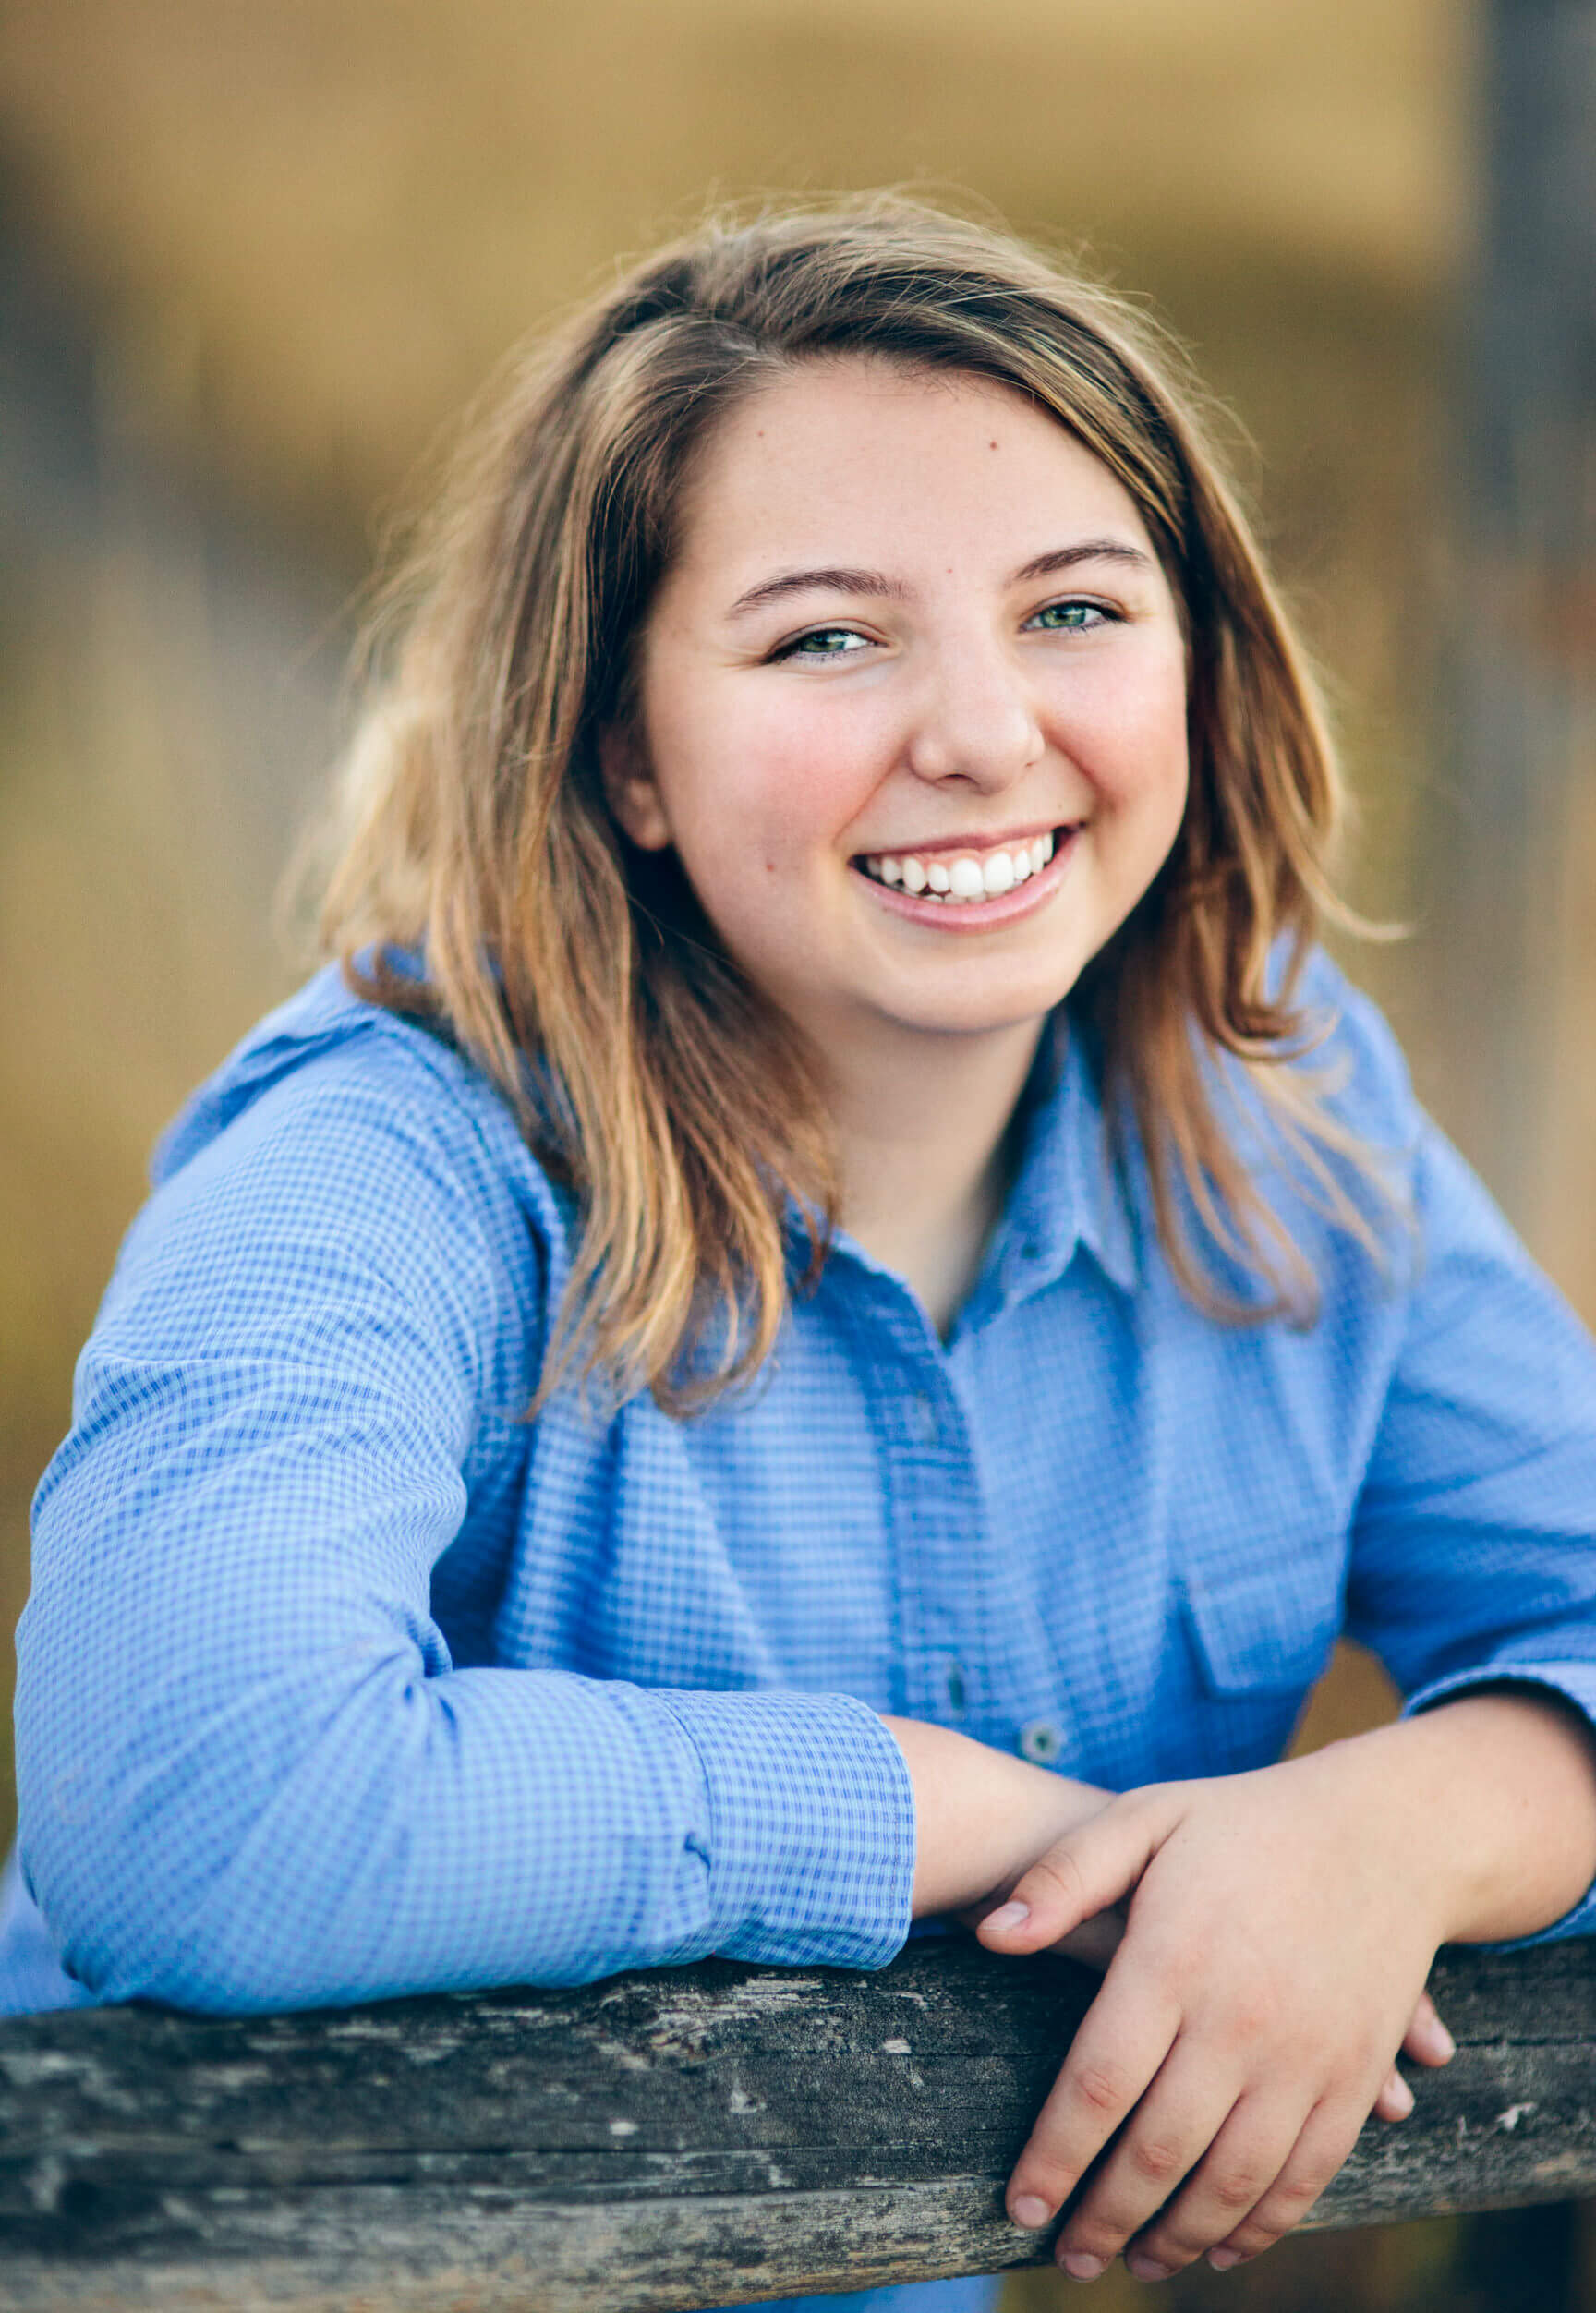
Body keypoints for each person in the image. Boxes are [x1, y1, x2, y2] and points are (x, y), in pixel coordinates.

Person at [6, 199, 1596, 2303]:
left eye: (1078, 609)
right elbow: (198, 1811)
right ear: (623, 755)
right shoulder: (383, 1166)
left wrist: (1379, 1837)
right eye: (827, 637)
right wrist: (964, 1818)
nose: (983, 734)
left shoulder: (1284, 1099)